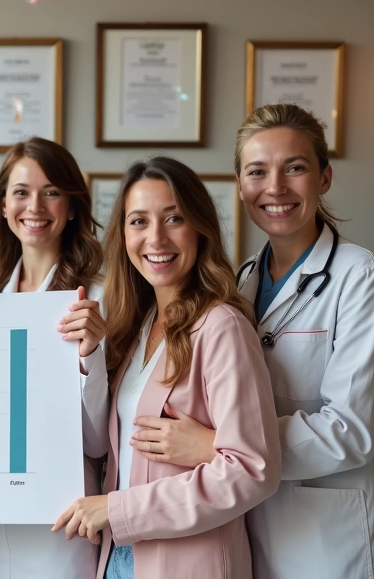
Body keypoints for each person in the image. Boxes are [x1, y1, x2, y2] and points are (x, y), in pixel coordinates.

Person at [127, 104, 374, 578]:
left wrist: (219, 445)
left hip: (331, 543)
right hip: (250, 529)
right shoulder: (241, 281)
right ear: (240, 185)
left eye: (294, 168)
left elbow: (351, 431)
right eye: (257, 171)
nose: (274, 187)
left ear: (324, 178)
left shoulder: (360, 277)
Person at [52, 156, 280, 579]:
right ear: (124, 235)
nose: (156, 238)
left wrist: (117, 509)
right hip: (120, 557)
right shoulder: (137, 327)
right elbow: (106, 446)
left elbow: (251, 470)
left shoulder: (222, 327)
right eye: (139, 221)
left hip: (190, 562)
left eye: (174, 218)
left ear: (199, 228)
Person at [0, 137, 107, 578]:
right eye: (21, 192)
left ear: (72, 207)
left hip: (58, 524)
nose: (35, 207)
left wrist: (91, 354)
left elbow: (98, 441)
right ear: (4, 205)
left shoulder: (99, 298)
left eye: (51, 192)